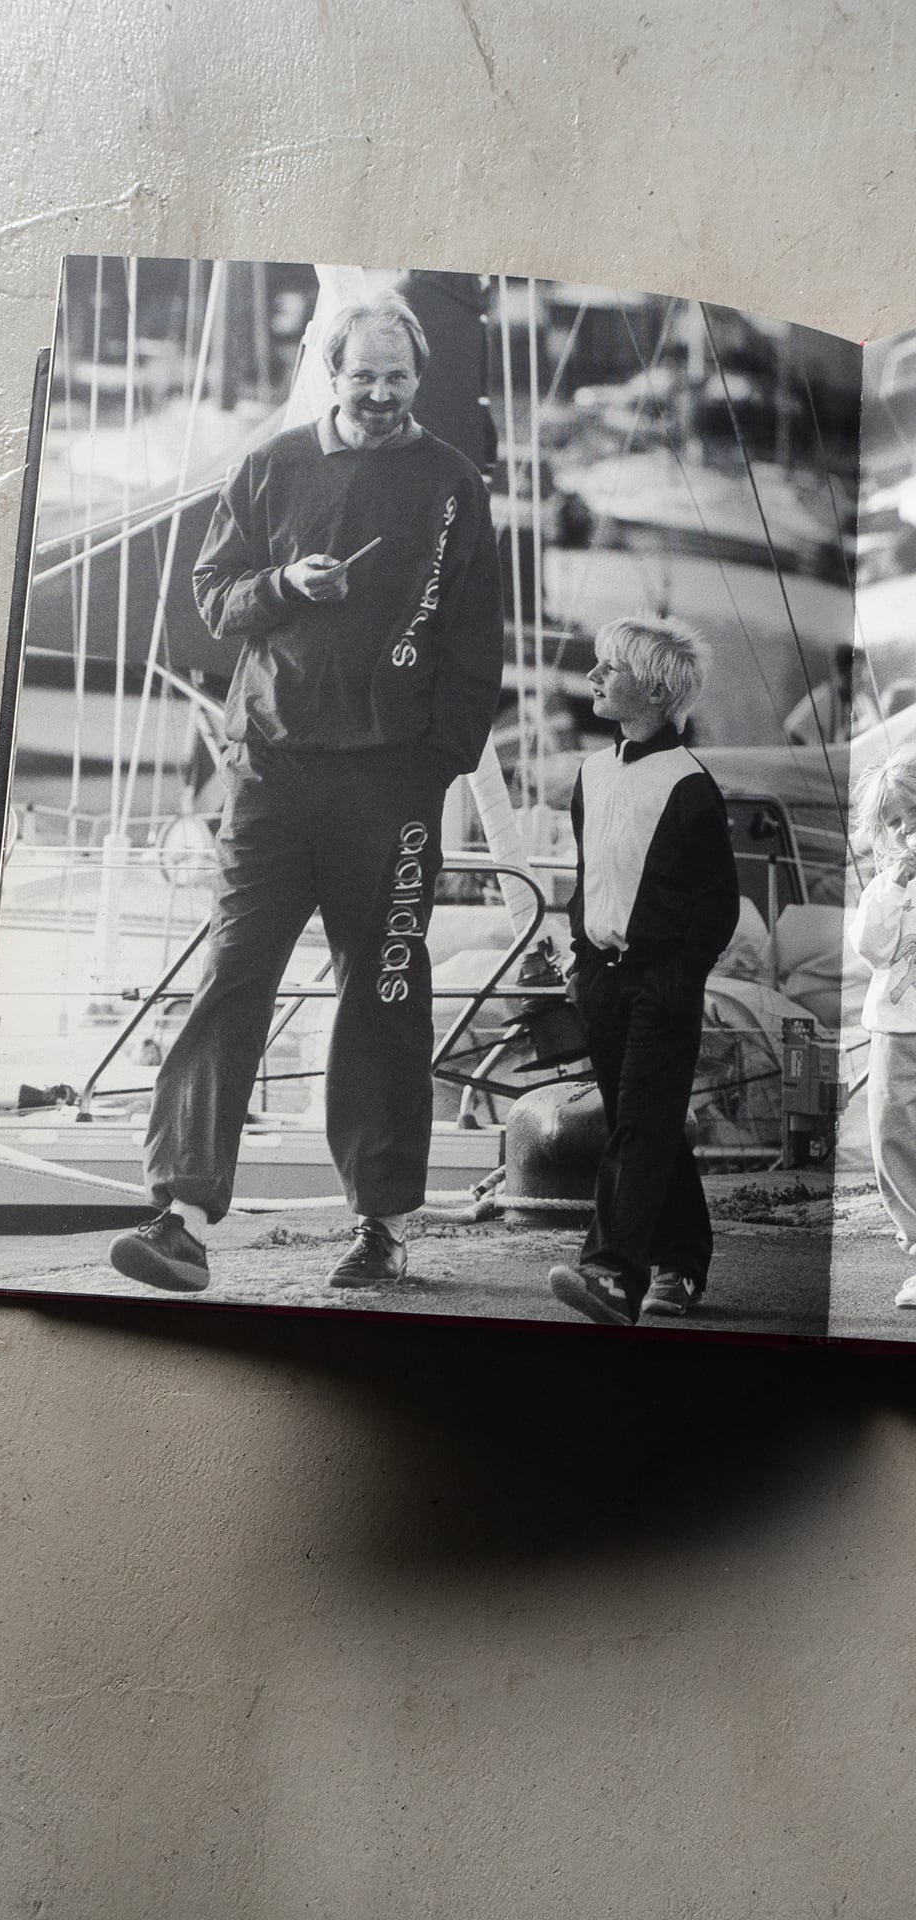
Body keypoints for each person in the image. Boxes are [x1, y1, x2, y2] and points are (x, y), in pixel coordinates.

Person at [109, 293, 504, 1293]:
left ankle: (381, 1227)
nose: (380, 392)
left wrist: (435, 765)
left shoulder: (453, 484)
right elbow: (212, 597)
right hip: (270, 774)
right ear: (334, 373)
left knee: (385, 994)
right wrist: (285, 584)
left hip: (391, 785)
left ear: (418, 379)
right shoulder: (271, 466)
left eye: (397, 376)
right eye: (363, 374)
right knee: (232, 979)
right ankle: (180, 1218)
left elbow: (474, 643)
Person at [548, 616, 741, 1327]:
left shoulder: (689, 783)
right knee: (642, 1123)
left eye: (611, 668)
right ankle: (682, 1263)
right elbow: (589, 877)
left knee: (639, 1125)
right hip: (600, 978)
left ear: (657, 692)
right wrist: (580, 961)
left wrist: (680, 979)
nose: (594, 677)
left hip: (663, 979)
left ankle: (611, 1273)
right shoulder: (591, 774)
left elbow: (718, 901)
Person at [848, 745, 916, 1310]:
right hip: (896, 1028)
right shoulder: (882, 888)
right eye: (894, 821)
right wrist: (895, 885)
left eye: (915, 814)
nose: (906, 829)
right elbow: (871, 949)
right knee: (891, 1136)